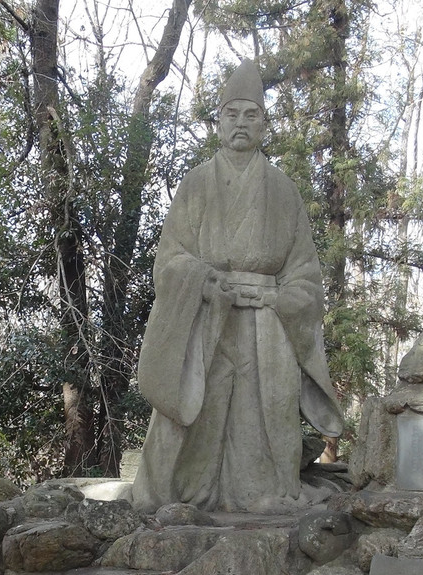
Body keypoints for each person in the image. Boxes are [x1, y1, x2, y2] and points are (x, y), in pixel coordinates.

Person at [131, 58, 343, 513]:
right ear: (219, 122)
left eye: (251, 115)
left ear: (264, 124)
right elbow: (170, 259)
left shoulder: (283, 191)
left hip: (268, 326)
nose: (241, 124)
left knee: (263, 415)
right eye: (232, 114)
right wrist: (204, 281)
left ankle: (263, 491)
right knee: (199, 409)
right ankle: (188, 494)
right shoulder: (195, 186)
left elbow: (305, 273)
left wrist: (279, 299)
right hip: (207, 317)